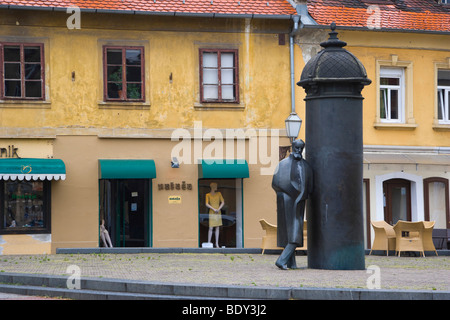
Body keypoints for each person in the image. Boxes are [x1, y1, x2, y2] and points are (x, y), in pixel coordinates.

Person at [272, 139, 313, 270]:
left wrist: (302, 195)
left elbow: (310, 186)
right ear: (292, 147)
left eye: (301, 148)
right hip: (286, 201)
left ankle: (292, 263)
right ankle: (282, 260)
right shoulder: (283, 164)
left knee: (294, 232)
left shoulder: (306, 166)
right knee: (292, 234)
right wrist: (292, 194)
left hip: (299, 202)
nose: (299, 151)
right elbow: (276, 183)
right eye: (297, 148)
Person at [205, 182, 225, 248]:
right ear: (212, 187)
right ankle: (209, 242)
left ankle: (216, 244)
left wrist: (219, 209)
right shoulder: (207, 195)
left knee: (217, 227)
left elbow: (223, 202)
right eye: (216, 186)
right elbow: (206, 204)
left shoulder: (219, 194)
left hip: (218, 212)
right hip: (212, 212)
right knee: (211, 227)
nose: (216, 187)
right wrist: (213, 209)